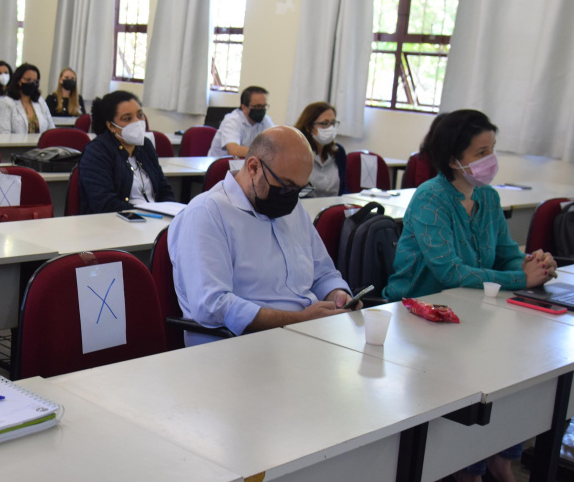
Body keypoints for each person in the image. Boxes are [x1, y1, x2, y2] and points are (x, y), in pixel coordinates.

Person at [383, 109, 555, 482]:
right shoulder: (431, 199)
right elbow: (452, 273)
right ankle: (468, 465)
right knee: (478, 374)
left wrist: (533, 264)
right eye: (480, 152)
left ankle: (498, 458)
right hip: (419, 318)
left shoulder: (488, 198)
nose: (490, 160)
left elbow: (507, 251)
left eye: (492, 149)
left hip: (472, 313)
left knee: (509, 370)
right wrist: (517, 278)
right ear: (452, 158)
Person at [169, 126, 351, 347]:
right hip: (239, 345)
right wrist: (300, 320)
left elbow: (323, 273)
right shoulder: (207, 213)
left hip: (302, 336)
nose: (292, 197)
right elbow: (214, 306)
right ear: (253, 167)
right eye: (286, 186)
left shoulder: (292, 209)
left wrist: (337, 294)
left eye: (300, 189)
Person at [78, 91, 175, 214]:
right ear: (111, 126)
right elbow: (105, 204)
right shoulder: (97, 152)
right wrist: (147, 213)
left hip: (155, 219)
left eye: (140, 115)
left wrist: (169, 211)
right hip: (119, 223)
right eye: (127, 118)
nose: (136, 122)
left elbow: (165, 190)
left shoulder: (146, 146)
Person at [293, 102, 347, 197]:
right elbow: (297, 194)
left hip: (333, 207)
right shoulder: (297, 153)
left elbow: (344, 187)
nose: (330, 128)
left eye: (333, 123)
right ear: (309, 127)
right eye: (324, 123)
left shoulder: (338, 152)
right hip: (307, 208)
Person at [207, 86, 274, 157]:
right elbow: (234, 150)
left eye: (263, 107)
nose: (261, 110)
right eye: (257, 106)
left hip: (245, 164)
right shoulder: (232, 120)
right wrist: (263, 153)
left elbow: (276, 143)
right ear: (244, 107)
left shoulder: (265, 120)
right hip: (220, 165)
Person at [0, 63, 55, 134]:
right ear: (18, 81)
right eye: (28, 80)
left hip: (41, 144)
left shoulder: (40, 101)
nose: (32, 84)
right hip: (16, 144)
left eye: (35, 81)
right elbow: (4, 133)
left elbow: (52, 129)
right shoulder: (6, 103)